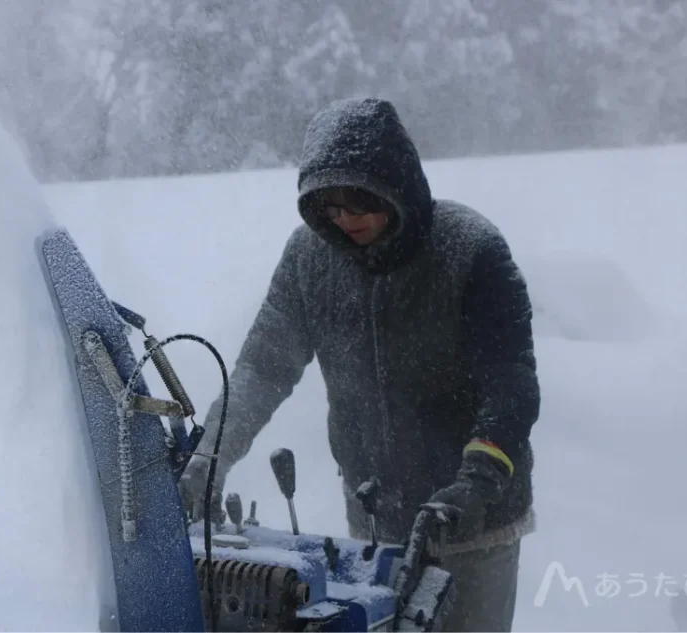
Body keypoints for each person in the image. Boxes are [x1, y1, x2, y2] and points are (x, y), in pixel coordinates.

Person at [180, 96, 540, 632]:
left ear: (396, 186)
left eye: (358, 202)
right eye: (330, 208)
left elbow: (511, 385)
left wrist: (477, 481)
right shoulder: (309, 260)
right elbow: (263, 368)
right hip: (374, 522)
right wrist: (212, 454)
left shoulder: (470, 250)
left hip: (472, 527)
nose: (345, 220)